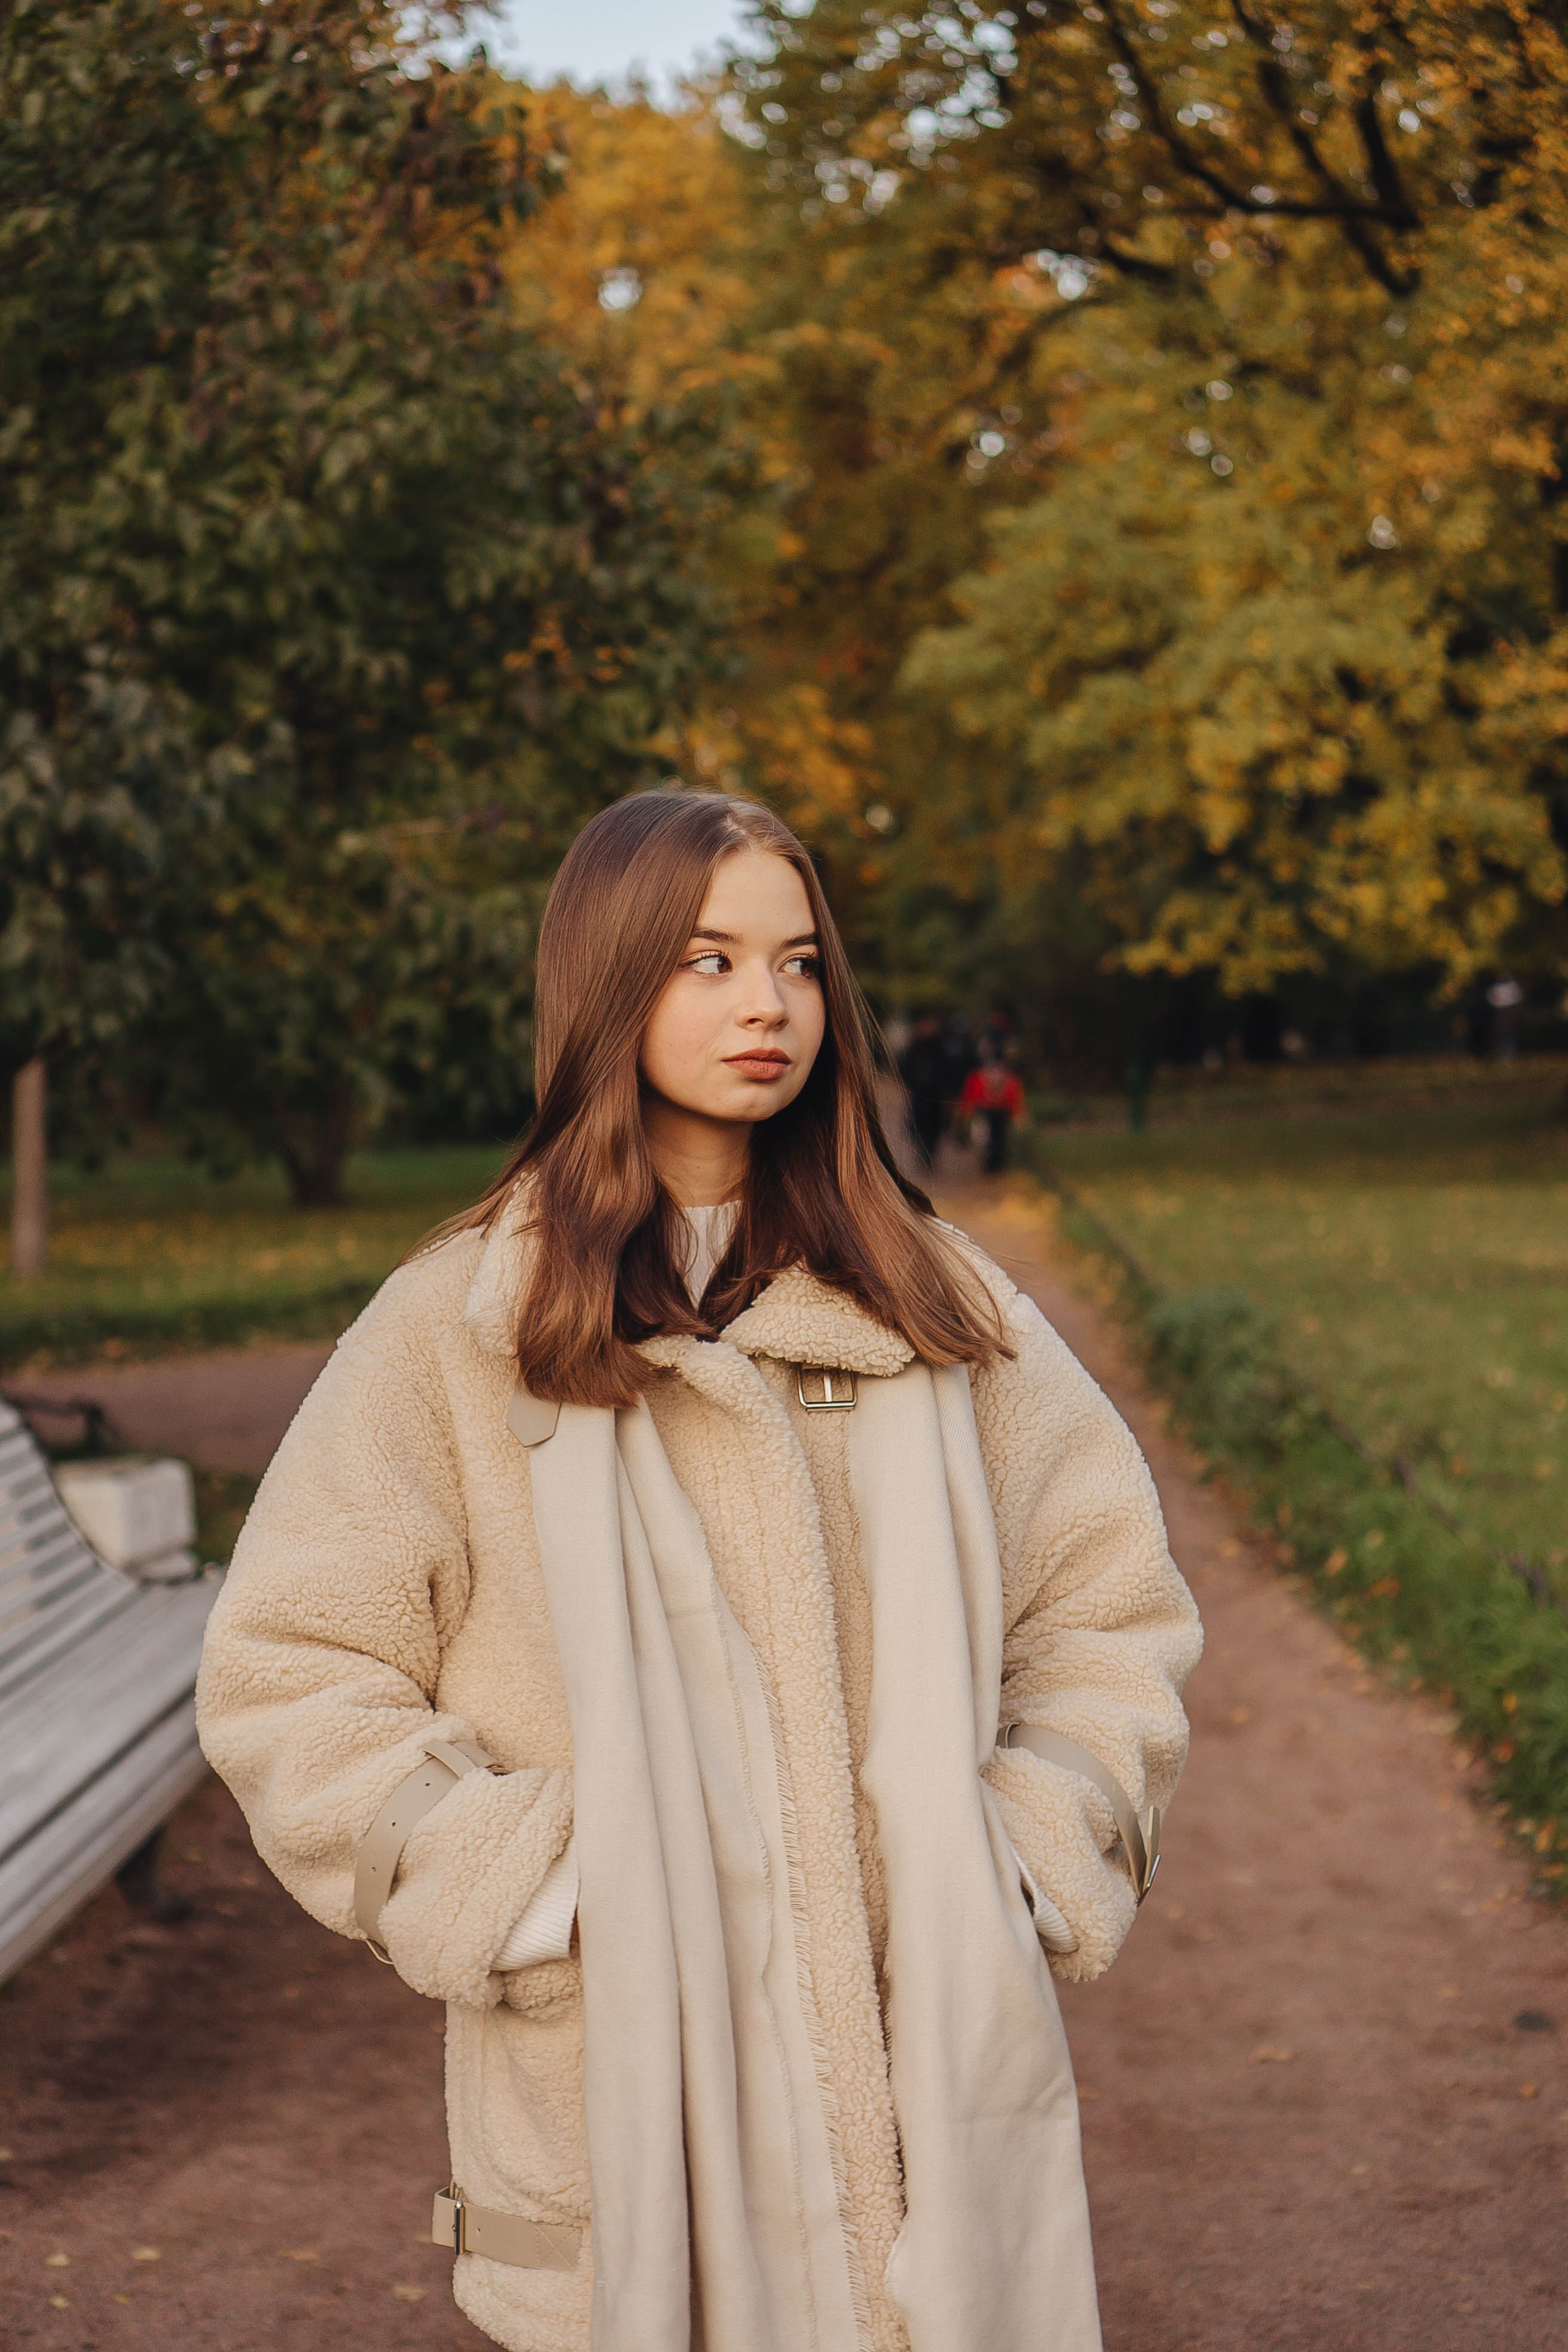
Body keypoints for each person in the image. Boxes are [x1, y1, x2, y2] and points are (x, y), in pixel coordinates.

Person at [196, 790, 1200, 2352]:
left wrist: (1013, 1854)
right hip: (614, 2079)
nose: (766, 1005)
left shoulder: (934, 1303)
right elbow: (288, 1670)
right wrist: (537, 1889)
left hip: (920, 2054)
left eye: (796, 963)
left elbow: (1107, 1601)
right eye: (708, 959)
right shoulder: (458, 1325)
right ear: (607, 982)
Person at [959, 1038, 1027, 1174]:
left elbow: (1015, 1098)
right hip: (986, 1112)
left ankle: (996, 1161)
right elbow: (971, 1096)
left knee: (999, 1138)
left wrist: (1018, 1115)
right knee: (988, 1138)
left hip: (1000, 1112)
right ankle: (992, 1161)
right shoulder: (978, 1077)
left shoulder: (1010, 1080)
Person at [896, 1009, 948, 1168]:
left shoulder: (940, 1046)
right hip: (918, 1093)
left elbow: (946, 1068)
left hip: (935, 1094)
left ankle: (929, 1153)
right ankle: (923, 1153)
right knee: (917, 1124)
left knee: (935, 1124)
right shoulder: (914, 1046)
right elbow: (904, 1066)